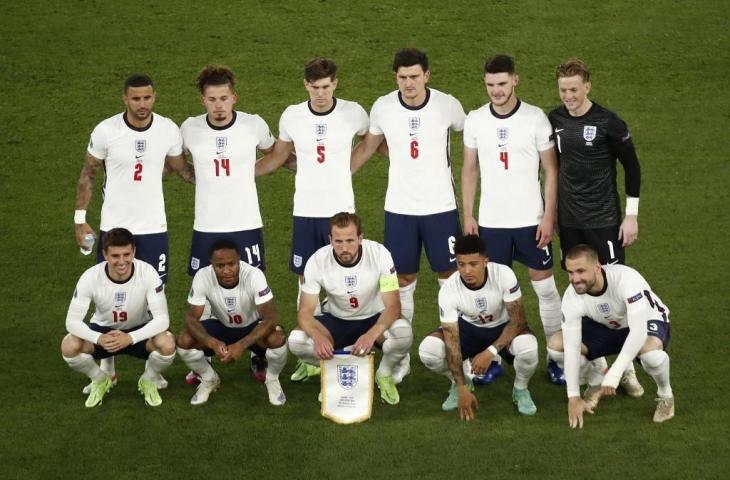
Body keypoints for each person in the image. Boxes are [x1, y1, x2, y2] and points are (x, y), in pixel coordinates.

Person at [350, 48, 466, 382]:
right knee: (401, 282)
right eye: (402, 77)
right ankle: (401, 357)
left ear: (427, 75)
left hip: (441, 208)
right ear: (395, 78)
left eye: (415, 76)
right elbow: (368, 147)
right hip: (399, 209)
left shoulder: (448, 105)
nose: (409, 83)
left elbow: (470, 139)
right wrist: (337, 178)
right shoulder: (384, 107)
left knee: (451, 277)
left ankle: (458, 351)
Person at [73, 73, 193, 385]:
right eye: (135, 98)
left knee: (155, 296)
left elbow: (180, 169)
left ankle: (150, 372)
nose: (142, 104)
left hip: (154, 229)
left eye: (147, 98)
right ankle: (108, 366)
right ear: (125, 99)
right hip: (113, 227)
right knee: (110, 297)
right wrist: (79, 218)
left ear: (154, 97)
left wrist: (224, 177)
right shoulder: (106, 131)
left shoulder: (167, 129)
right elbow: (88, 173)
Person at [461, 54, 563, 384]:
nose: (497, 90)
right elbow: (469, 168)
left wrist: (548, 215)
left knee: (544, 287)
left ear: (515, 80)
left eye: (502, 83)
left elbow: (551, 170)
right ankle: (495, 357)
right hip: (491, 222)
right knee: (495, 293)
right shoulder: (476, 120)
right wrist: (468, 214)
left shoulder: (535, 119)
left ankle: (558, 358)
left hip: (530, 219)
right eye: (490, 85)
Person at [548, 58, 644, 396]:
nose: (569, 96)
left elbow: (632, 168)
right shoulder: (555, 119)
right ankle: (597, 364)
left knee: (616, 291)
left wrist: (630, 215)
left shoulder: (609, 123)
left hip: (604, 221)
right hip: (570, 223)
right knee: (580, 288)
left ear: (587, 86)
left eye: (574, 89)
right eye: (563, 90)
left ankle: (627, 369)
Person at [180, 65, 276, 384]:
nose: (218, 105)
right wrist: (191, 175)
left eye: (224, 98)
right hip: (206, 225)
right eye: (212, 99)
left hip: (245, 222)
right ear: (202, 100)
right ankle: (206, 354)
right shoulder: (190, 128)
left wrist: (248, 172)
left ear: (234, 97)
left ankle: (256, 353)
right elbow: (173, 158)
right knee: (204, 289)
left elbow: (275, 153)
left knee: (250, 289)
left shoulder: (253, 125)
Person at [288, 212, 413, 405]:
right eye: (338, 241)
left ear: (360, 238)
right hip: (336, 321)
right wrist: (318, 336)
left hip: (374, 317)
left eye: (350, 240)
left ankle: (383, 373)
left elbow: (393, 306)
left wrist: (371, 335)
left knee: (404, 334)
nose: (344, 248)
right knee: (296, 341)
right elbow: (305, 311)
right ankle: (329, 369)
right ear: (330, 239)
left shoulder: (380, 254)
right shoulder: (317, 260)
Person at [547, 244, 673, 427]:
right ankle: (597, 376)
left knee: (651, 355)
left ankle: (665, 395)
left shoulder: (626, 279)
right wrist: (573, 396)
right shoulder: (571, 297)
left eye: (581, 271)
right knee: (556, 346)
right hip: (608, 326)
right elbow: (573, 348)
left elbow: (638, 332)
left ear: (597, 267)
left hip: (644, 322)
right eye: (571, 272)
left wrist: (615, 373)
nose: (575, 279)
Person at [418, 234, 538, 420]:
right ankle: (458, 383)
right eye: (461, 264)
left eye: (473, 264)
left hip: (503, 326)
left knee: (528, 348)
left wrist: (490, 352)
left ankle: (520, 389)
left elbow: (518, 321)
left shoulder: (503, 275)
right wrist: (461, 386)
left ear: (485, 262)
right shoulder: (449, 289)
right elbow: (452, 341)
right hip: (469, 330)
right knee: (429, 351)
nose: (466, 271)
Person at [61, 228, 176, 408]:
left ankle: (148, 380)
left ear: (134, 252)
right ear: (105, 254)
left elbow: (162, 319)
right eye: (115, 256)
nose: (122, 261)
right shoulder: (90, 277)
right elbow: (72, 321)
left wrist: (130, 338)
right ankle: (100, 379)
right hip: (103, 332)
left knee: (167, 343)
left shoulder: (148, 272)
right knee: (69, 346)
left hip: (138, 332)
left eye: (126, 254)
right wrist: (99, 338)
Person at [176, 239, 288, 406]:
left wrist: (241, 345)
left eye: (232, 264)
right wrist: (211, 342)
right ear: (212, 264)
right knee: (184, 340)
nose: (227, 271)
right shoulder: (202, 276)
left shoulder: (254, 275)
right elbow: (191, 318)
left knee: (277, 338)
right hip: (221, 326)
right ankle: (209, 379)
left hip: (252, 328)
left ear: (239, 261)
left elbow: (270, 317)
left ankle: (272, 380)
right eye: (220, 266)